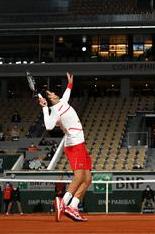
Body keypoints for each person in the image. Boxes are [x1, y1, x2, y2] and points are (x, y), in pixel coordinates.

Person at [41, 72, 92, 222]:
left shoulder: (63, 101)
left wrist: (70, 83)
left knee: (88, 179)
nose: (54, 93)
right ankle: (62, 203)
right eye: (51, 94)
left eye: (53, 92)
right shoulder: (55, 111)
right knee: (79, 177)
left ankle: (73, 206)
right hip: (73, 145)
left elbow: (67, 92)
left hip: (81, 144)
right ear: (50, 99)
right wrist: (45, 108)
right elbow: (49, 126)